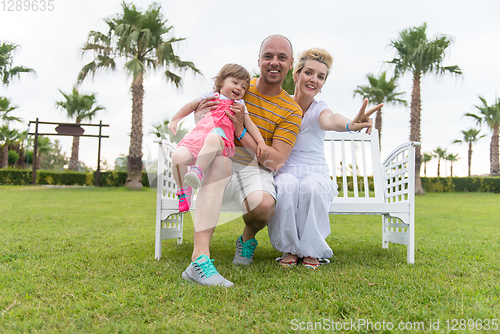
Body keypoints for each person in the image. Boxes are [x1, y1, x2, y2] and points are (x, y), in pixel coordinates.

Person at [180, 35, 302, 287]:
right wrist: (203, 117)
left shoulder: (291, 110)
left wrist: (241, 131)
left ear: (290, 63)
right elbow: (204, 116)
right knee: (217, 163)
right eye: (268, 56)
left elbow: (276, 161)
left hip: (255, 168)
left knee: (264, 206)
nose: (274, 62)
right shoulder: (239, 83)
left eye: (281, 57)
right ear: (259, 60)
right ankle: (199, 260)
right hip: (220, 157)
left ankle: (247, 238)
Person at [267, 48, 383, 269]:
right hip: (286, 172)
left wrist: (351, 124)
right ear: (296, 74)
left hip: (315, 173)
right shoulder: (282, 105)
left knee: (311, 187)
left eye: (321, 77)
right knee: (287, 185)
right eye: (309, 73)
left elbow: (330, 120)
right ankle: (289, 249)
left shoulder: (320, 108)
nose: (314, 80)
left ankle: (312, 250)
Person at [168, 64, 269, 213]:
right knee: (177, 156)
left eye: (243, 87)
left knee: (213, 138)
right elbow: (190, 106)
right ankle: (184, 191)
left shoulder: (239, 105)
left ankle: (198, 170)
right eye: (235, 83)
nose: (239, 89)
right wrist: (175, 120)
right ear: (221, 81)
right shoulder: (209, 95)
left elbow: (251, 125)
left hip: (220, 140)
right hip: (198, 137)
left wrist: (261, 142)